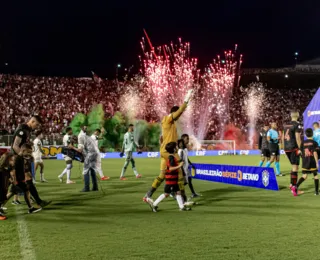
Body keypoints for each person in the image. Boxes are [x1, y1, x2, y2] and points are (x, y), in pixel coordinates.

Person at [144, 89, 193, 202]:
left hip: (164, 151)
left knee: (162, 175)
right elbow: (180, 111)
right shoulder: (168, 119)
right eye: (176, 116)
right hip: (169, 152)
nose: (178, 118)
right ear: (173, 114)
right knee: (180, 174)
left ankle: (148, 195)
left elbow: (163, 137)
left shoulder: (168, 124)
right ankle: (183, 201)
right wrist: (187, 98)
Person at [150, 142, 191, 212]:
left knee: (178, 192)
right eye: (176, 147)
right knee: (166, 194)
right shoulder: (171, 158)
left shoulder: (172, 157)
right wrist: (179, 166)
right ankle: (154, 204)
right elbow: (171, 168)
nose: (177, 148)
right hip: (171, 180)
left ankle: (182, 207)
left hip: (173, 179)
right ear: (174, 149)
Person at [12, 144, 43, 214]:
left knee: (26, 191)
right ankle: (30, 208)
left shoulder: (22, 158)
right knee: (10, 194)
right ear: (23, 150)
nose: (29, 154)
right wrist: (15, 181)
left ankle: (31, 208)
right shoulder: (17, 159)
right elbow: (13, 171)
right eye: (28, 152)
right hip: (17, 180)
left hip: (20, 180)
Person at [290, 128, 319, 196]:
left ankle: (295, 186)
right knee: (315, 175)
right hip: (312, 161)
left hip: (305, 162)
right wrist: (317, 162)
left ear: (305, 134)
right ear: (313, 134)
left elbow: (300, 152)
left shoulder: (303, 142)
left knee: (304, 176)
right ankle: (316, 192)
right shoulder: (315, 143)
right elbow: (315, 153)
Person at [283, 111, 303, 190]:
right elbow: (298, 138)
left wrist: (283, 149)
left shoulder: (285, 125)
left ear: (291, 116)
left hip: (287, 148)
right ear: (297, 116)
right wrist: (301, 148)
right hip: (294, 148)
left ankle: (291, 184)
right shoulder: (297, 125)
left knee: (293, 167)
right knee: (295, 168)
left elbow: (282, 138)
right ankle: (294, 187)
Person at [78, 128, 99, 192]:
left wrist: (72, 147)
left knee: (86, 171)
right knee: (92, 170)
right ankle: (95, 187)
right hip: (95, 154)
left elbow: (80, 150)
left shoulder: (81, 137)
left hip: (89, 155)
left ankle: (86, 187)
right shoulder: (88, 137)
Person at [0, 152, 15, 220]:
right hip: (1, 187)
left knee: (2, 199)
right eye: (12, 160)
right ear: (7, 160)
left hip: (4, 187)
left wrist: (10, 180)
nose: (13, 161)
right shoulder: (1, 169)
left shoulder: (7, 168)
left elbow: (7, 176)